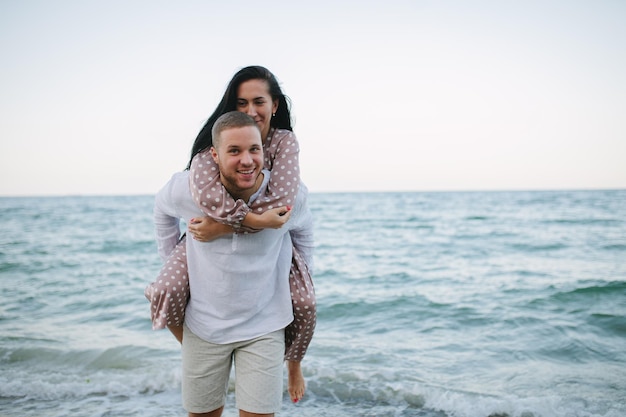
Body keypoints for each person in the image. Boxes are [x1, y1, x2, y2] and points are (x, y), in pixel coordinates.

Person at [145, 66, 315, 403]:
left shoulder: (285, 161)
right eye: (241, 103)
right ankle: (205, 353)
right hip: (207, 325)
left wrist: (225, 227)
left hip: (264, 321)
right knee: (164, 289)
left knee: (305, 301)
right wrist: (174, 257)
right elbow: (162, 209)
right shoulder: (197, 176)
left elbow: (296, 221)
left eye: (258, 102)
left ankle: (293, 362)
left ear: (275, 106)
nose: (250, 111)